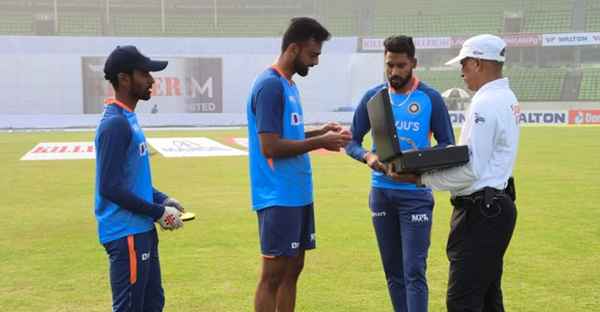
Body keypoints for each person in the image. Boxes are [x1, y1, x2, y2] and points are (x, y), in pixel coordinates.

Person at [387, 34, 521, 312]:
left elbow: (472, 169)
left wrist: (421, 177)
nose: (461, 72)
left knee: (461, 301)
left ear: (479, 63)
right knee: (487, 298)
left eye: (464, 64)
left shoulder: (485, 103)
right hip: (495, 206)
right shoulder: (506, 97)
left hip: (481, 212)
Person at [246, 17, 351, 312]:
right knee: (273, 275)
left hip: (299, 194)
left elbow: (286, 136)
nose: (316, 62)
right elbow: (269, 146)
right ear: (293, 49)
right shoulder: (270, 85)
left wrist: (319, 132)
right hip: (278, 197)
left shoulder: (289, 84)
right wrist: (320, 143)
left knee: (294, 269)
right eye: (312, 54)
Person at [345, 35, 455, 312]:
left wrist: (417, 161)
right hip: (381, 194)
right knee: (393, 271)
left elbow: (447, 145)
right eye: (390, 65)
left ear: (414, 63)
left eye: (401, 66)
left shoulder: (430, 99)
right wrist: (367, 156)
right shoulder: (373, 97)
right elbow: (350, 140)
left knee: (414, 270)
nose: (394, 72)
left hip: (415, 195)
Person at [95, 45, 186, 312]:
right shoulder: (115, 124)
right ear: (124, 79)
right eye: (144, 73)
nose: (151, 80)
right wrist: (158, 211)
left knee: (152, 304)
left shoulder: (128, 118)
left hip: (140, 230)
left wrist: (163, 198)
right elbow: (110, 186)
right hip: (126, 234)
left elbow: (130, 179)